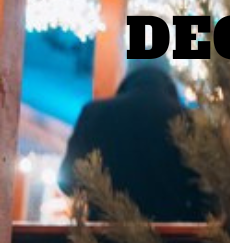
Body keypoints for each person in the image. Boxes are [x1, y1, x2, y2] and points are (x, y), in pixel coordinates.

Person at [58, 57, 209, 222]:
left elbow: (68, 181)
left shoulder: (93, 114)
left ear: (128, 75)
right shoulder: (190, 120)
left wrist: (102, 200)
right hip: (170, 237)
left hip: (105, 236)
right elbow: (205, 193)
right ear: (167, 77)